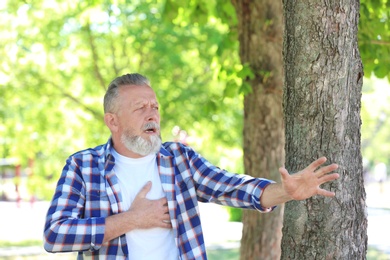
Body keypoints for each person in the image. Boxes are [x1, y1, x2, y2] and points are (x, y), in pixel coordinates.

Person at [43, 73, 339, 259]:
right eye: (140, 108)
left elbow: (234, 188)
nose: (153, 115)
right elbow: (54, 235)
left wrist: (285, 192)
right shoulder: (83, 166)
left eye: (155, 107)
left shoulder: (179, 159)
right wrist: (132, 219)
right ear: (112, 121)